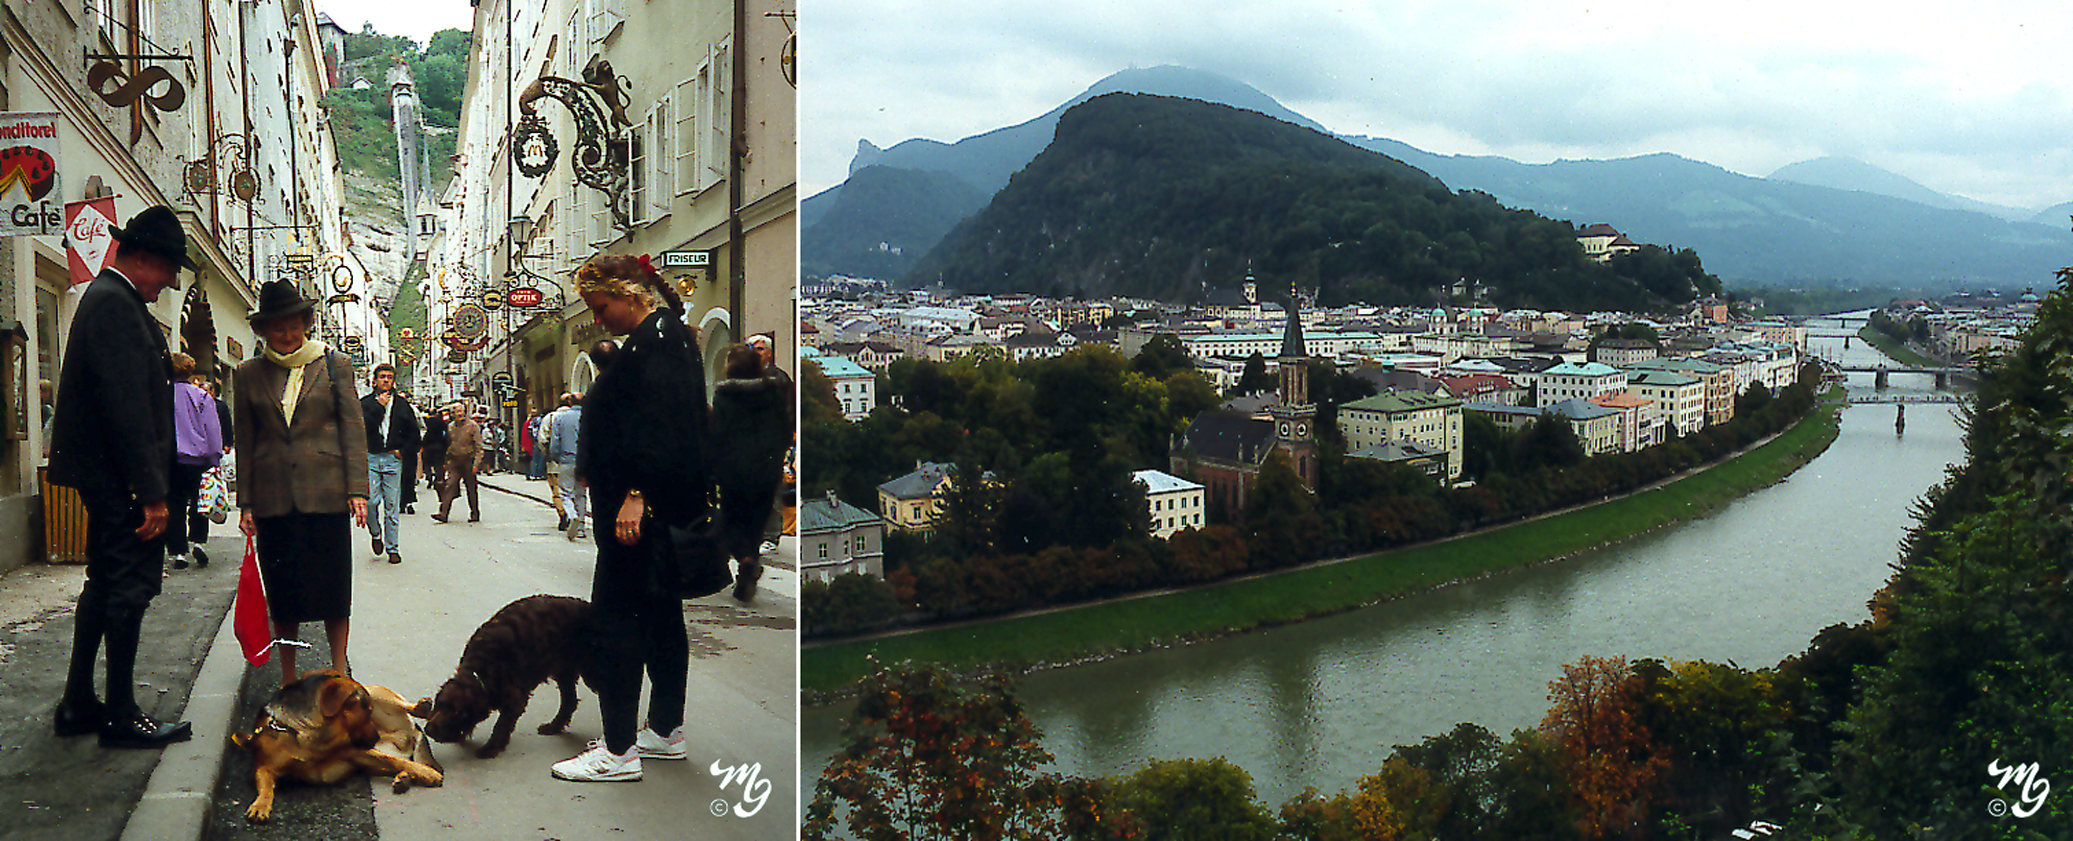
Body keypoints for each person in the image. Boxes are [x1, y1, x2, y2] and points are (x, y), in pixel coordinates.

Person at [552, 253, 709, 782]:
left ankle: (618, 750)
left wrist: (636, 493)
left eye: (600, 307)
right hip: (654, 510)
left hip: (639, 516)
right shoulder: (667, 336)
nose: (598, 318)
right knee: (663, 619)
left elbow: (658, 427)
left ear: (629, 295)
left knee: (616, 622)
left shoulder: (654, 344)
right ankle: (665, 730)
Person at [48, 205, 197, 749]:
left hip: (108, 474)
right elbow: (128, 408)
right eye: (167, 270)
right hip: (119, 478)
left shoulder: (112, 300)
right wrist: (150, 493)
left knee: (105, 582)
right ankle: (119, 713)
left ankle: (79, 702)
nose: (170, 283)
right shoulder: (116, 304)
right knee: (128, 588)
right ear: (142, 259)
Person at [234, 280, 370, 686]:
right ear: (264, 331)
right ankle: (289, 678)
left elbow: (352, 429)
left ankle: (339, 670)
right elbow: (246, 440)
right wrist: (246, 503)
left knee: (333, 592)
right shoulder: (248, 373)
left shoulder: (334, 365)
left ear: (307, 324)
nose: (288, 335)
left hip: (327, 494)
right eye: (279, 328)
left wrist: (357, 489)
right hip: (274, 499)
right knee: (284, 596)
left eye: (295, 326)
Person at [711, 344, 791, 602]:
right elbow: (784, 429)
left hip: (734, 468)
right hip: (767, 469)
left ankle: (745, 559)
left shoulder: (724, 395)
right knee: (757, 521)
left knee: (732, 519)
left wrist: (713, 466)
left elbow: (718, 434)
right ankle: (751, 561)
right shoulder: (773, 392)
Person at [166, 353, 224, 570]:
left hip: (171, 459)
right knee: (200, 502)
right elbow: (212, 428)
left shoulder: (161, 395)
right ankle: (198, 541)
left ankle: (178, 551)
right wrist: (215, 456)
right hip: (199, 459)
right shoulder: (201, 396)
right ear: (190, 371)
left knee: (175, 504)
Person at [361, 363, 420, 564]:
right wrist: (379, 407)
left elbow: (415, 433)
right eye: (382, 377)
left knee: (392, 506)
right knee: (371, 502)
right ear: (375, 380)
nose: (386, 380)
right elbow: (362, 427)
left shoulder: (403, 406)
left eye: (389, 377)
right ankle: (376, 534)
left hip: (392, 460)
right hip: (371, 457)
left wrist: (403, 451)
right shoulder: (366, 403)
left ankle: (393, 548)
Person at [746, 332, 793, 556]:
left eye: (760, 349)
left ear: (770, 353)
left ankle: (771, 536)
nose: (755, 353)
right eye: (751, 349)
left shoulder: (778, 378)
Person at [434, 400, 482, 523]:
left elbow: (478, 447)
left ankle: (474, 513)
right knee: (450, 485)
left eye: (461, 411)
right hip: (454, 461)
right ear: (453, 414)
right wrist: (446, 462)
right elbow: (447, 445)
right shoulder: (450, 427)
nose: (459, 414)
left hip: (468, 461)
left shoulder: (472, 426)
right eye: (456, 412)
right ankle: (443, 513)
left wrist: (476, 464)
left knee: (471, 488)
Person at [546, 392, 585, 539]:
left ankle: (572, 515)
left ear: (570, 403)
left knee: (565, 493)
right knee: (581, 494)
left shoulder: (560, 418)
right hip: (584, 461)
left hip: (567, 460)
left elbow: (555, 442)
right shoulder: (588, 418)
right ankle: (581, 527)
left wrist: (555, 457)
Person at [422, 406, 450, 500]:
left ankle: (429, 478)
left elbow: (423, 432)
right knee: (438, 464)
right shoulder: (441, 422)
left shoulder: (426, 422)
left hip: (428, 445)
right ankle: (438, 479)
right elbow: (446, 433)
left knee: (427, 464)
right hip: (439, 446)